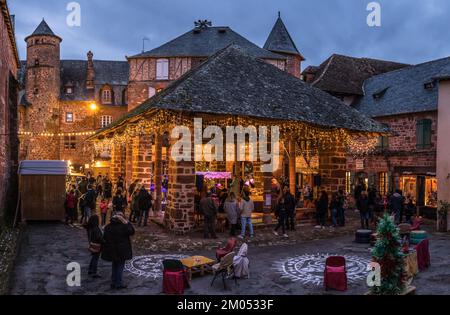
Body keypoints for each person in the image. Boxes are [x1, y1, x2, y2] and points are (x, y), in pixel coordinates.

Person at [101, 212, 135, 290]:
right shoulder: (124, 226)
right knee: (120, 266)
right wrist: (127, 223)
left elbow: (105, 237)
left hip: (112, 250)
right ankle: (118, 283)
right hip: (121, 250)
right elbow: (132, 231)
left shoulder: (108, 227)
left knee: (114, 265)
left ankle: (113, 282)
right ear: (122, 218)